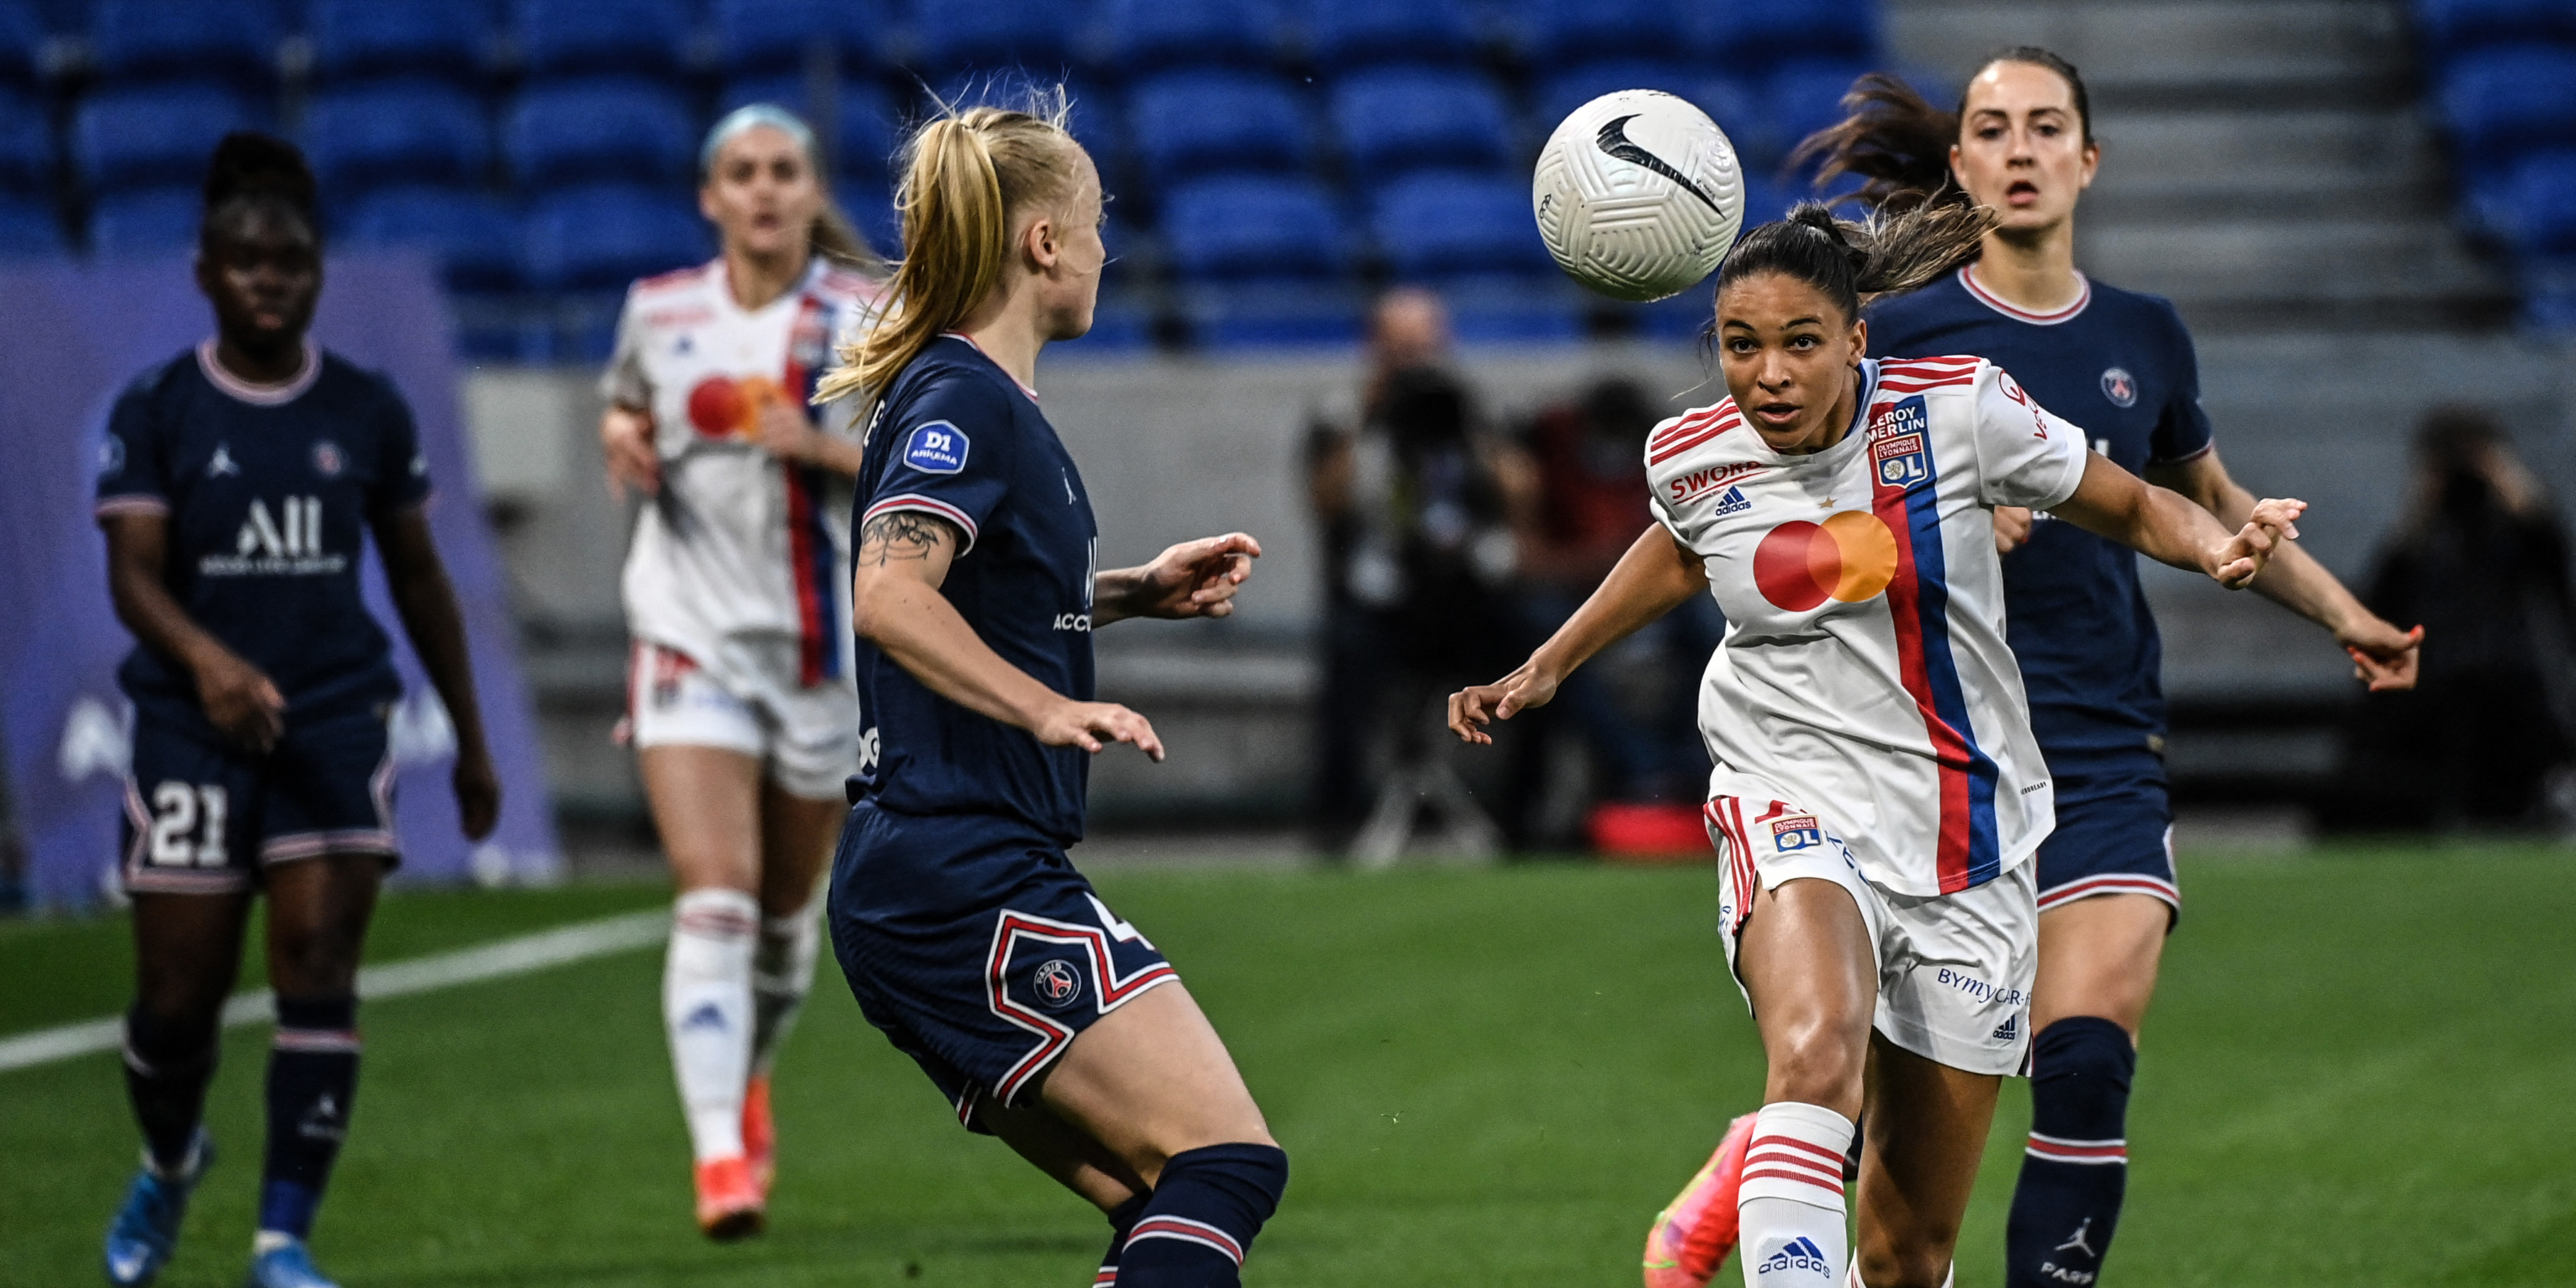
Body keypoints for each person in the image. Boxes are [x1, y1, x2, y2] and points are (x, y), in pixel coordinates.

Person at [1625, 50, 2430, 1288]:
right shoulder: (1891, 342)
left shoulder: (2142, 334)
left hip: (2098, 738)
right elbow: (1767, 504)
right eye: (1991, 128)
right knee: (1876, 1111)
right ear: (1958, 165)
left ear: (2086, 160)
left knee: (2087, 1052)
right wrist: (1929, 511)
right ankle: (1779, 1148)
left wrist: (2340, 611)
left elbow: (2203, 503)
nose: (2017, 150)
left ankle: (1788, 1158)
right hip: (1917, 759)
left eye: (2044, 128)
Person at [1448, 203, 2307, 1288]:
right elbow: (1677, 550)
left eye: (1799, 341)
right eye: (1739, 344)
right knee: (1813, 1048)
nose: (1766, 373)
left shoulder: (1960, 413)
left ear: (1857, 338)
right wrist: (1549, 661)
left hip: (1966, 838)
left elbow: (2131, 503)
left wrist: (2216, 542)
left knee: (1906, 1252)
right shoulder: (1692, 451)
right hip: (1786, 789)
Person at [812, 96, 1287, 1288]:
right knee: (1224, 1159)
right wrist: (1042, 705)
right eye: (1093, 224)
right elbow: (889, 591)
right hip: (960, 866)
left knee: (1155, 1199)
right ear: (1041, 243)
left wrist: (1125, 590)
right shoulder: (966, 397)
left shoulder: (984, 400)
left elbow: (978, 589)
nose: (1102, 251)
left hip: (936, 871)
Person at [91, 133, 500, 1288]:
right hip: (187, 726)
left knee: (317, 963)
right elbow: (133, 574)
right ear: (206, 271)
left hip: (331, 715)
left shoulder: (365, 409)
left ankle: (282, 1238)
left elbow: (419, 577)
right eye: (245, 258)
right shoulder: (160, 406)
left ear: (317, 272)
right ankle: (170, 1159)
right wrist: (209, 662)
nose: (269, 277)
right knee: (176, 1001)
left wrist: (470, 735)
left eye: (291, 261)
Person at [595, 104, 887, 1239]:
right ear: (709, 197)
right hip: (687, 634)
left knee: (778, 920)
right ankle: (719, 1152)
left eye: (783, 172)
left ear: (811, 193)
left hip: (817, 652)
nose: (763, 191)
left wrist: (813, 448)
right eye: (741, 174)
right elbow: (627, 403)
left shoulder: (864, 319)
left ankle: (747, 1076)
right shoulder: (658, 311)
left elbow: (919, 468)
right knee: (712, 890)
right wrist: (618, 428)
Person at [2328, 406, 2574, 829]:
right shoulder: (2426, 539)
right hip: (2436, 676)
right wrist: (2419, 515)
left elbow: (2554, 572)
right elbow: (2383, 599)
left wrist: (2515, 492)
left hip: (2509, 675)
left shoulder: (2514, 531)